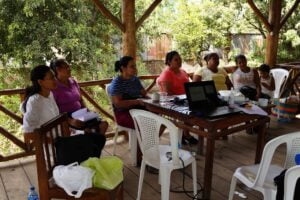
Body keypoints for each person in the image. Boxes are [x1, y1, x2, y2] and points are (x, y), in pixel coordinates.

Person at [50, 59, 108, 134]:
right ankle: (91, 143)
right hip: (67, 119)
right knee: (88, 132)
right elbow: (54, 110)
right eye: (66, 67)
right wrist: (70, 121)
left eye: (69, 67)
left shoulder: (73, 81)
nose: (69, 69)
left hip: (81, 114)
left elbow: (80, 100)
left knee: (103, 124)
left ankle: (93, 143)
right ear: (58, 70)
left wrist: (87, 110)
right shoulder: (54, 86)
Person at [108, 56, 146, 129]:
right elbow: (118, 104)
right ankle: (144, 140)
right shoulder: (117, 82)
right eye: (132, 66)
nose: (135, 69)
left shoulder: (135, 79)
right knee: (149, 122)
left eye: (135, 66)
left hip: (138, 110)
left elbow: (144, 94)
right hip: (123, 113)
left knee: (160, 119)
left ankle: (147, 140)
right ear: (123, 68)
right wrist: (136, 102)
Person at [21, 65, 59, 134]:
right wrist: (51, 141)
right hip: (48, 143)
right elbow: (28, 130)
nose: (55, 80)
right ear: (40, 82)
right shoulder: (35, 101)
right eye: (52, 78)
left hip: (59, 136)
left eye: (54, 76)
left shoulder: (50, 94)